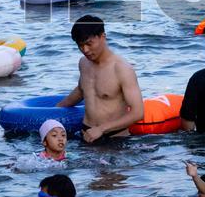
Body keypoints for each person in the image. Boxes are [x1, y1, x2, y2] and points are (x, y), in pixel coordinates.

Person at [56, 15, 143, 143]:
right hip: (85, 134)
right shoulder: (83, 63)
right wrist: (56, 109)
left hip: (115, 139)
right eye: (80, 45)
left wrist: (101, 129)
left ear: (103, 36)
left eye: (89, 44)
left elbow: (138, 113)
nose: (85, 50)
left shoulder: (122, 69)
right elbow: (81, 90)